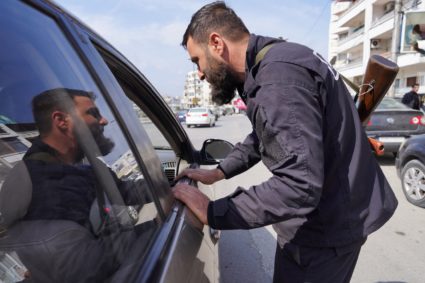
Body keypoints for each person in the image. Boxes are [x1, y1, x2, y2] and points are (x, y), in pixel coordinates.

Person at [172, 2, 398, 282]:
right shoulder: (279, 60)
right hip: (331, 217)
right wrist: (219, 172)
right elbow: (264, 134)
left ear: (216, 43)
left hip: (324, 233)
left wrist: (212, 211)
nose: (200, 73)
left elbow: (299, 185)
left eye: (197, 61)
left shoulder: (278, 80)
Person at [16, 88, 143, 282]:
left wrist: (165, 185)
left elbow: (123, 190)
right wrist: (151, 230)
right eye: (93, 113)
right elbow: (83, 269)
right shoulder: (47, 183)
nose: (104, 121)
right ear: (61, 121)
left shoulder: (80, 163)